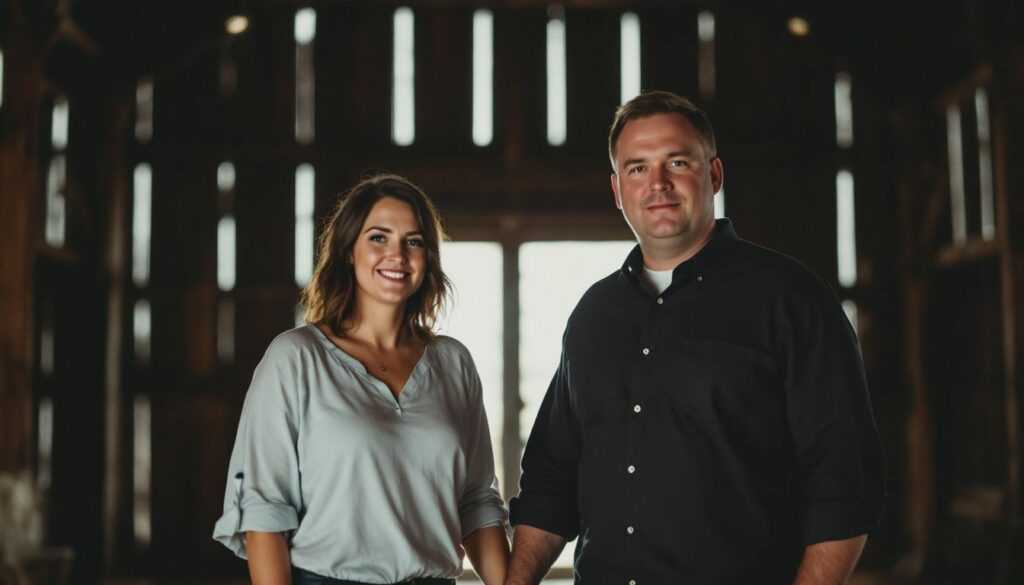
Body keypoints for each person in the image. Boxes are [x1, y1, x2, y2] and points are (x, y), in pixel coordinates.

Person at [506, 92, 885, 585]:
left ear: (714, 174)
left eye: (677, 162)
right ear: (618, 190)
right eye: (637, 168)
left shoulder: (792, 300)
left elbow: (845, 487)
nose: (657, 184)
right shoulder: (592, 315)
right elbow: (551, 481)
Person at [213, 174, 509, 585]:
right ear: (347, 251)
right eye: (378, 238)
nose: (397, 255)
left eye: (414, 241)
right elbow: (265, 510)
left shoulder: (453, 363)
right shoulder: (296, 358)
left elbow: (476, 503)